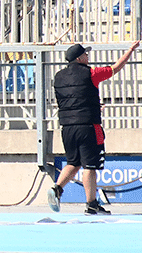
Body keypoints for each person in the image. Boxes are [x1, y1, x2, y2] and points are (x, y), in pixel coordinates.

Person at [47, 42, 139, 215]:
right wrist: (130, 51)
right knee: (90, 166)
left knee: (73, 162)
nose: (88, 57)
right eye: (86, 55)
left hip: (67, 127)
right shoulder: (90, 73)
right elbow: (115, 68)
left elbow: (72, 99)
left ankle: (57, 188)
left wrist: (94, 106)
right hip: (88, 126)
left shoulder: (58, 77)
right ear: (80, 58)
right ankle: (91, 204)